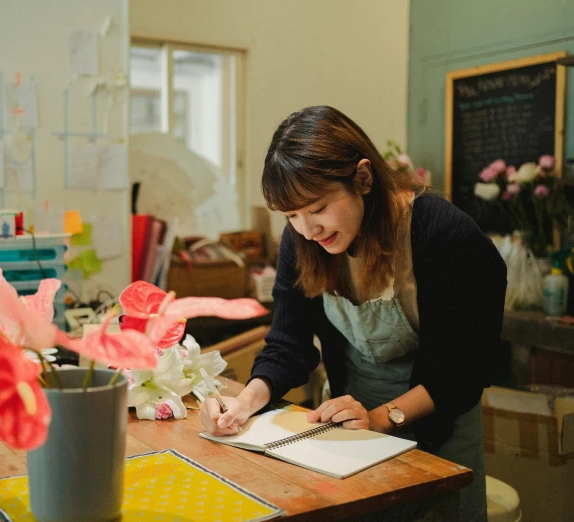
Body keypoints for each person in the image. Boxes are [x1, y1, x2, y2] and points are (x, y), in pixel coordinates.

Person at [200, 106, 506, 521]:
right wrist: (246, 401)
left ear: (363, 179)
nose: (308, 230)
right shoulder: (304, 242)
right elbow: (289, 342)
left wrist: (382, 418)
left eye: (318, 208)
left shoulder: (445, 236)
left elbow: (463, 370)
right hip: (349, 425)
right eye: (291, 215)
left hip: (438, 420)